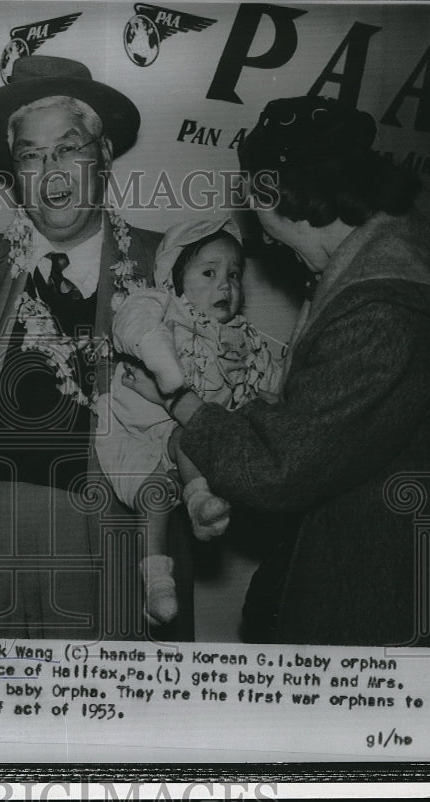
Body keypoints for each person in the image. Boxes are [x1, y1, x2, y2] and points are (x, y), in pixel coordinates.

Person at [121, 95, 430, 646]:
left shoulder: (381, 312)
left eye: (258, 207)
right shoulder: (383, 266)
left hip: (370, 593)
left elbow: (276, 468)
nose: (260, 236)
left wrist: (180, 402)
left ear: (281, 196)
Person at [0, 55, 175, 640]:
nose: (53, 172)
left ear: (106, 156)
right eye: (32, 156)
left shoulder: (166, 264)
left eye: (69, 149)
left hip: (113, 529)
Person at [97, 216, 283, 625]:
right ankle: (160, 579)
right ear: (177, 279)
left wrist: (275, 394)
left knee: (181, 453)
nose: (225, 285)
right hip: (134, 430)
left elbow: (267, 381)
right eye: (210, 273)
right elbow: (132, 320)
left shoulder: (244, 337)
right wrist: (160, 355)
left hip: (188, 442)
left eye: (234, 275)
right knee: (156, 492)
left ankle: (173, 555)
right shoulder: (164, 307)